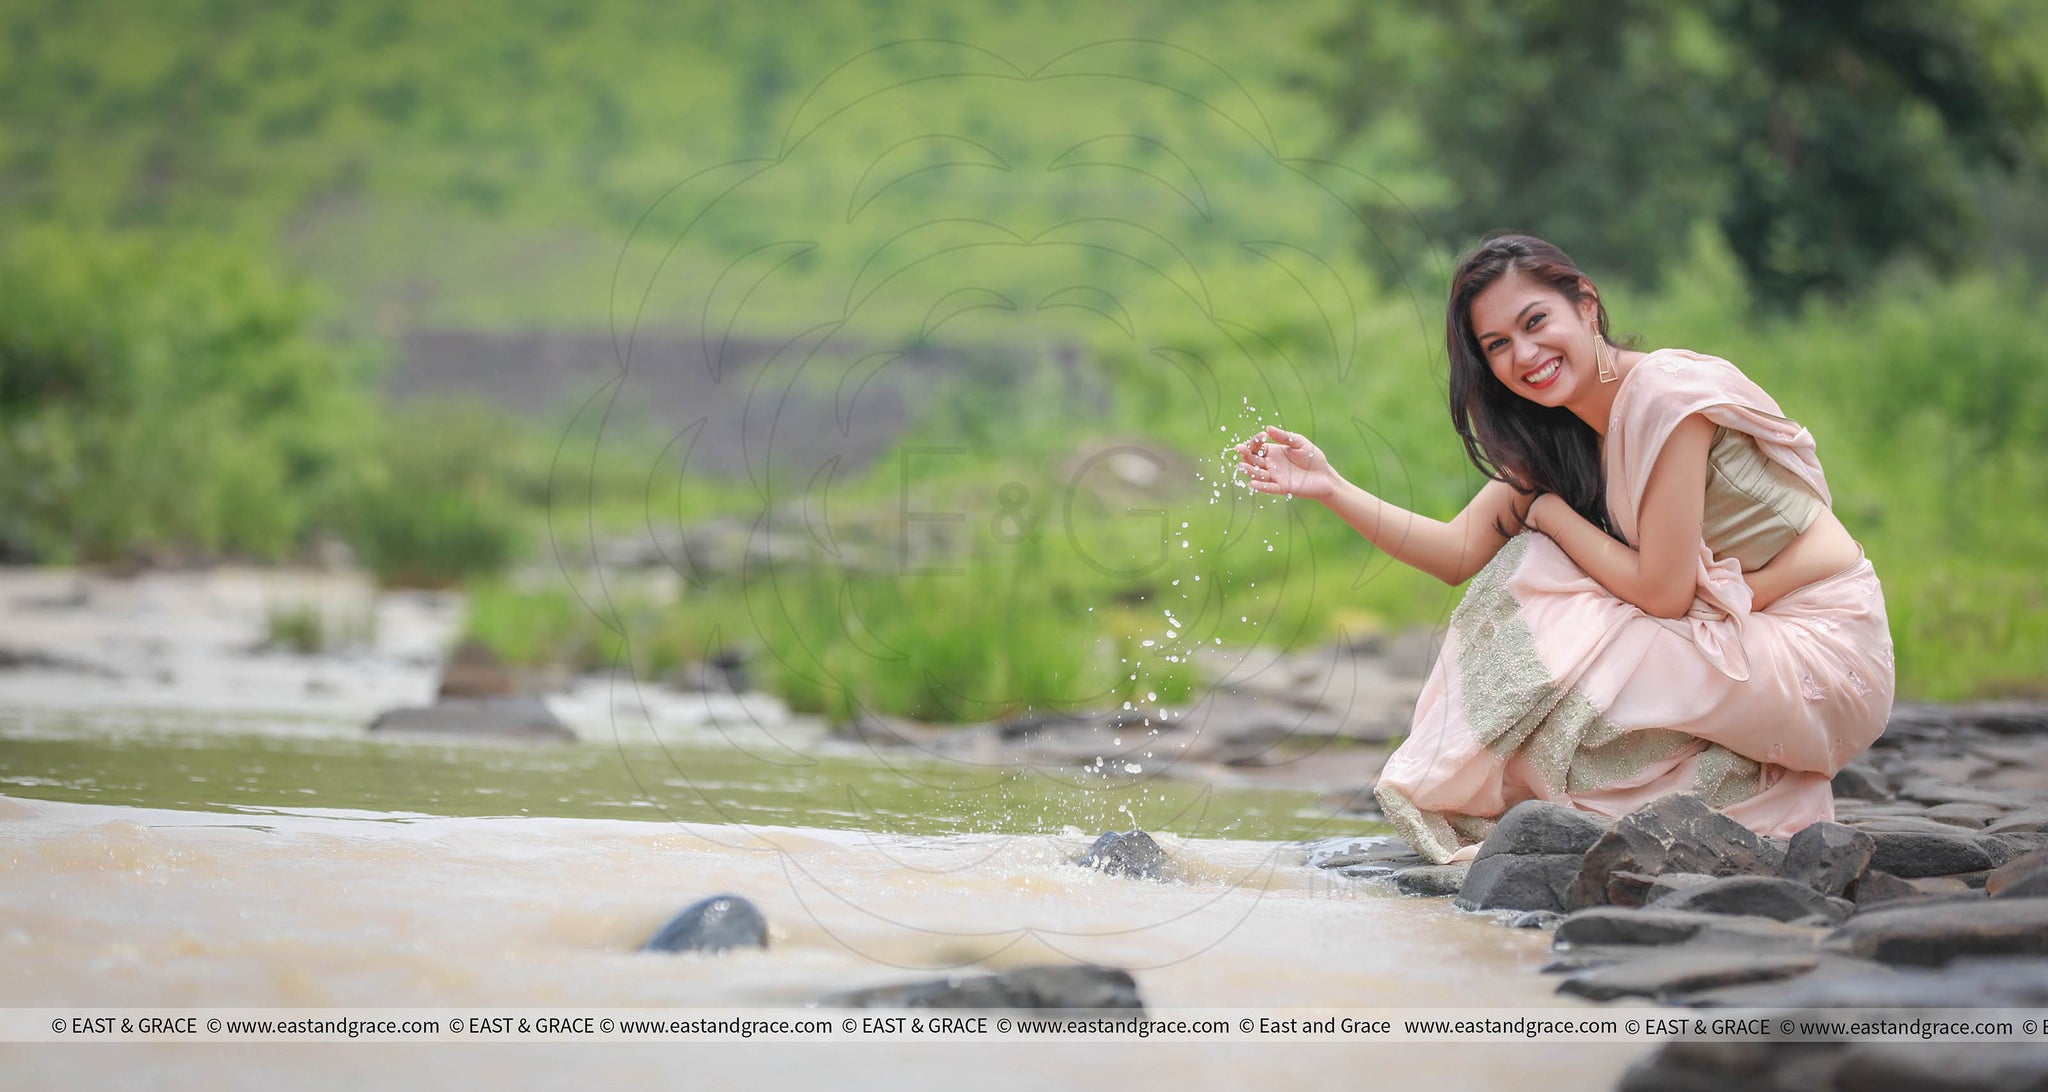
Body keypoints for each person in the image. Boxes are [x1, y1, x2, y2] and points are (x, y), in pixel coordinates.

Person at [1235, 233, 1894, 864]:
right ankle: (1717, 785)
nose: (1524, 355)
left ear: (1585, 302)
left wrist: (1548, 515)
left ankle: (1733, 786)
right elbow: (1456, 553)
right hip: (1740, 639)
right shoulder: (1565, 439)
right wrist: (1330, 487)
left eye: (1535, 321)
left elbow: (1663, 595)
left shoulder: (1666, 398)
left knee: (1546, 572)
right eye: (1497, 344)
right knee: (1537, 582)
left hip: (1824, 652)